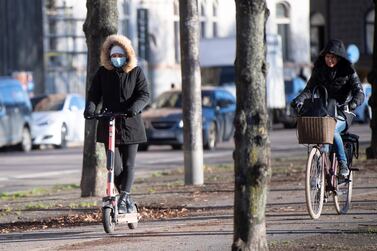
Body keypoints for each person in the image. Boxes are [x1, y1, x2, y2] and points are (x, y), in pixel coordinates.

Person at [84, 34, 150, 214]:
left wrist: (134, 108)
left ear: (127, 55)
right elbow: (94, 94)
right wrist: (90, 109)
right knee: (115, 166)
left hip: (131, 124)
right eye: (113, 56)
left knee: (129, 165)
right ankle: (126, 197)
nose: (117, 59)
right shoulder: (103, 73)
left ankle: (124, 197)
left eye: (120, 55)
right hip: (109, 123)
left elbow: (144, 94)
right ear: (108, 56)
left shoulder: (136, 72)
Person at [291, 39, 364, 177]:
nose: (329, 60)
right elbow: (309, 89)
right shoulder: (319, 70)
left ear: (339, 58)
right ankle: (320, 169)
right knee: (321, 132)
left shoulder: (348, 71)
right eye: (327, 57)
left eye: (333, 57)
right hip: (324, 110)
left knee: (332, 130)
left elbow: (359, 92)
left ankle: (343, 165)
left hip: (344, 111)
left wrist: (353, 104)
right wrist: (298, 100)